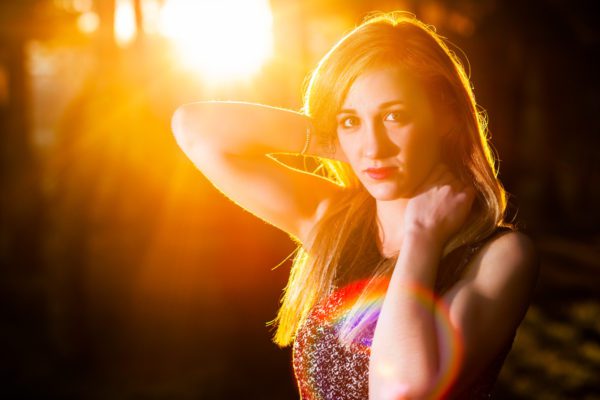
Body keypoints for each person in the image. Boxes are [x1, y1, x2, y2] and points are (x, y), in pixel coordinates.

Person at [171, 11, 538, 400]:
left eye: (394, 116)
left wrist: (421, 238)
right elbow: (194, 128)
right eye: (351, 120)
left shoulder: (501, 257)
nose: (374, 148)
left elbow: (402, 390)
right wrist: (338, 139)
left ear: (445, 115)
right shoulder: (335, 220)